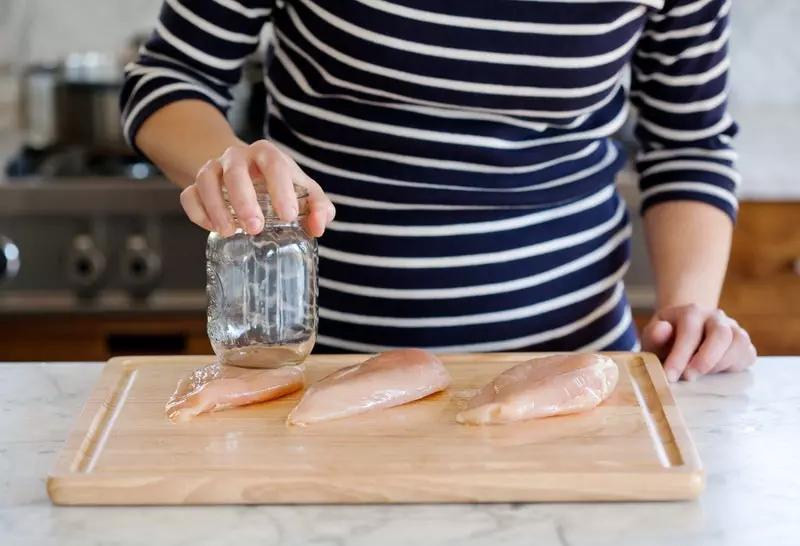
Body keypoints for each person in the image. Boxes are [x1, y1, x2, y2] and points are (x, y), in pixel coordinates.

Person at [121, 0, 756, 381]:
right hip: (319, 368)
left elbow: (689, 141)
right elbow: (170, 72)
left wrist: (690, 307)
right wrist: (225, 162)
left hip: (576, 367)